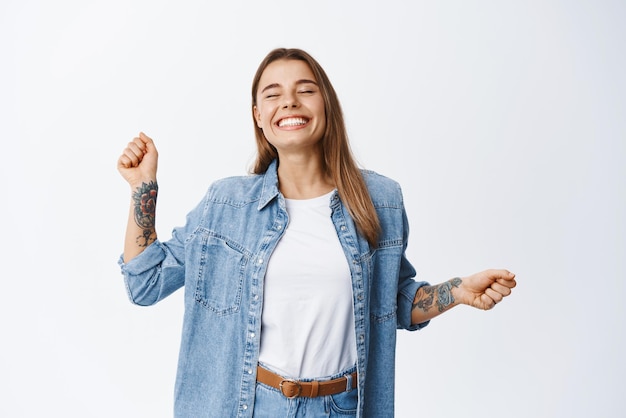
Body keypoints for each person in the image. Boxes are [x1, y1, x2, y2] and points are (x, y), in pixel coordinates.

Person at [117, 48, 516, 418]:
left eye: (305, 90)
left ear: (326, 105)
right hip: (251, 405)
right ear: (258, 115)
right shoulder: (225, 205)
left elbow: (388, 302)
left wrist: (457, 292)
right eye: (273, 94)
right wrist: (142, 189)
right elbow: (146, 282)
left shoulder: (380, 200)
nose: (289, 101)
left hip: (344, 406)